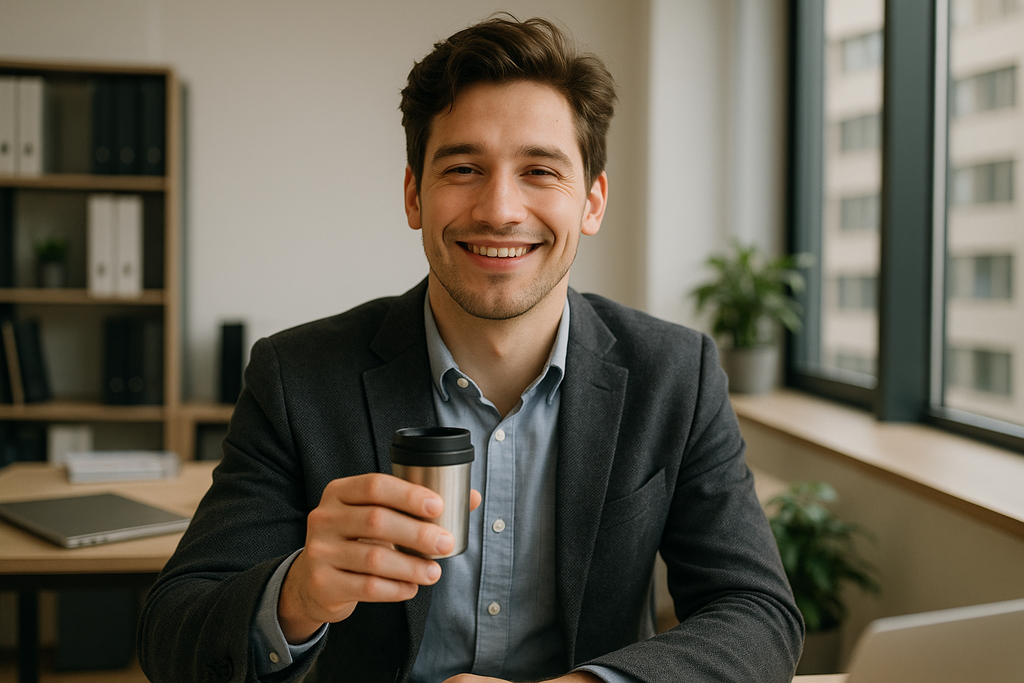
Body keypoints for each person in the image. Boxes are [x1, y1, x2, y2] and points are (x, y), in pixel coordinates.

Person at [139, 15, 803, 683]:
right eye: (463, 167)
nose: (500, 208)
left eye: (540, 170)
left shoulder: (676, 375)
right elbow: (173, 630)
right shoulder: (297, 377)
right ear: (413, 195)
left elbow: (756, 613)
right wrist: (296, 595)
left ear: (593, 202)